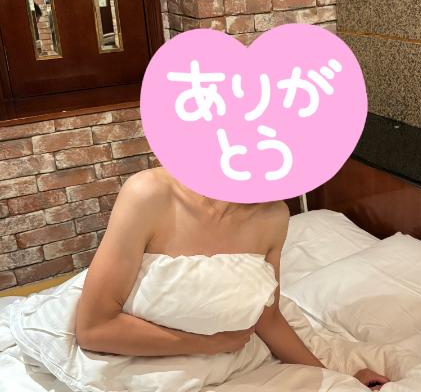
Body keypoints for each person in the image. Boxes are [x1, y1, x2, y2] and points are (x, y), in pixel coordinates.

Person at [75, 167, 390, 390]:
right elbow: (94, 330)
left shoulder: (274, 215)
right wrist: (209, 344)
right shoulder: (149, 193)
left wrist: (337, 378)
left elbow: (267, 318)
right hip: (134, 357)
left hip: (229, 359)